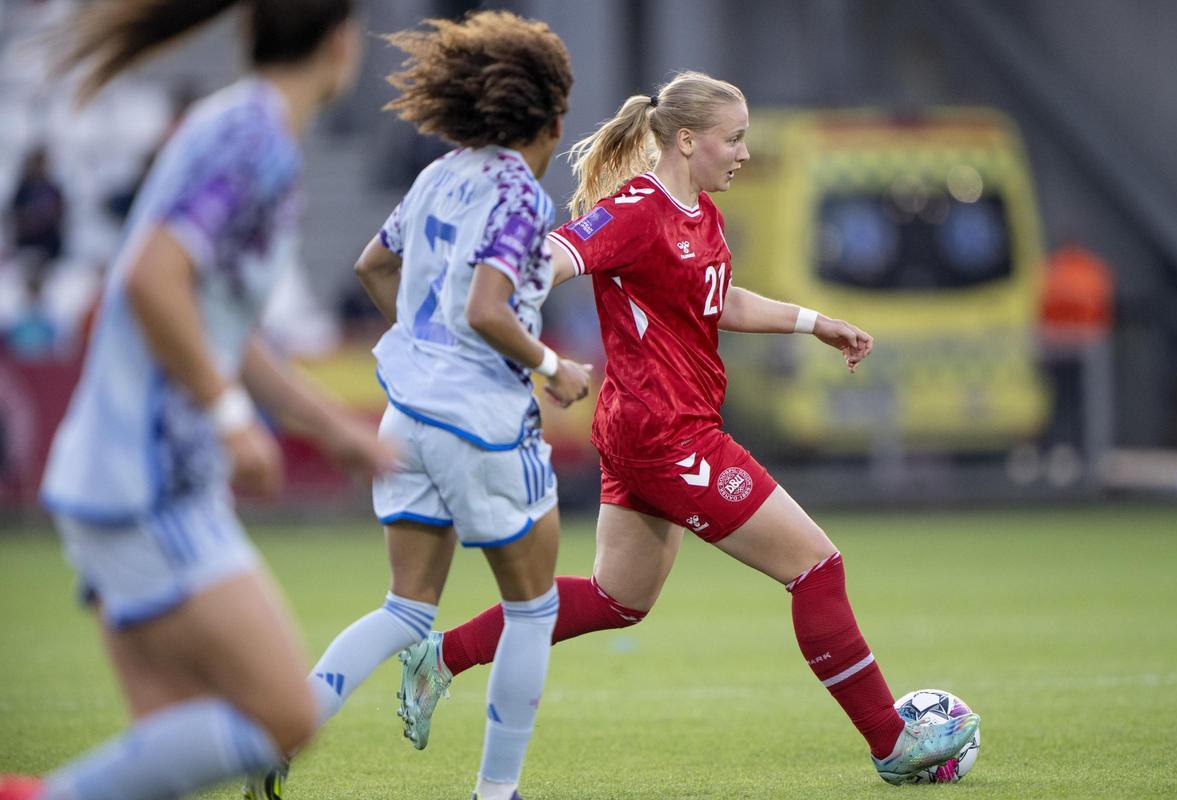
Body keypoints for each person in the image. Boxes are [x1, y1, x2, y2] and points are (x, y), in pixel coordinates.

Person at [395, 71, 980, 786]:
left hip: (650, 430)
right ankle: (892, 742)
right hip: (667, 435)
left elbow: (717, 297)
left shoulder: (701, 213)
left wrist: (813, 322)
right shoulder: (635, 210)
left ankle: (441, 656)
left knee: (617, 600)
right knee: (816, 568)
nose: (743, 153)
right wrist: (499, 308)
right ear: (685, 140)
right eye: (733, 139)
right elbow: (555, 257)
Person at [0, 2, 390, 799]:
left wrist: (331, 429)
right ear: (341, 44)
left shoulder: (245, 127)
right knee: (285, 717)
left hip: (136, 478)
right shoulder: (255, 140)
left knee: (165, 758)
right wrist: (229, 416)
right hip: (149, 483)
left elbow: (219, 325)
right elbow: (153, 279)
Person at [247, 11, 587, 800]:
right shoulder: (521, 195)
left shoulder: (441, 174)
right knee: (533, 610)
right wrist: (552, 366)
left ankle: (280, 733)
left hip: (406, 414)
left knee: (405, 610)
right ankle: (496, 793)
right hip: (481, 423)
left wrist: (425, 352)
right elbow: (487, 310)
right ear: (553, 120)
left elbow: (372, 265)